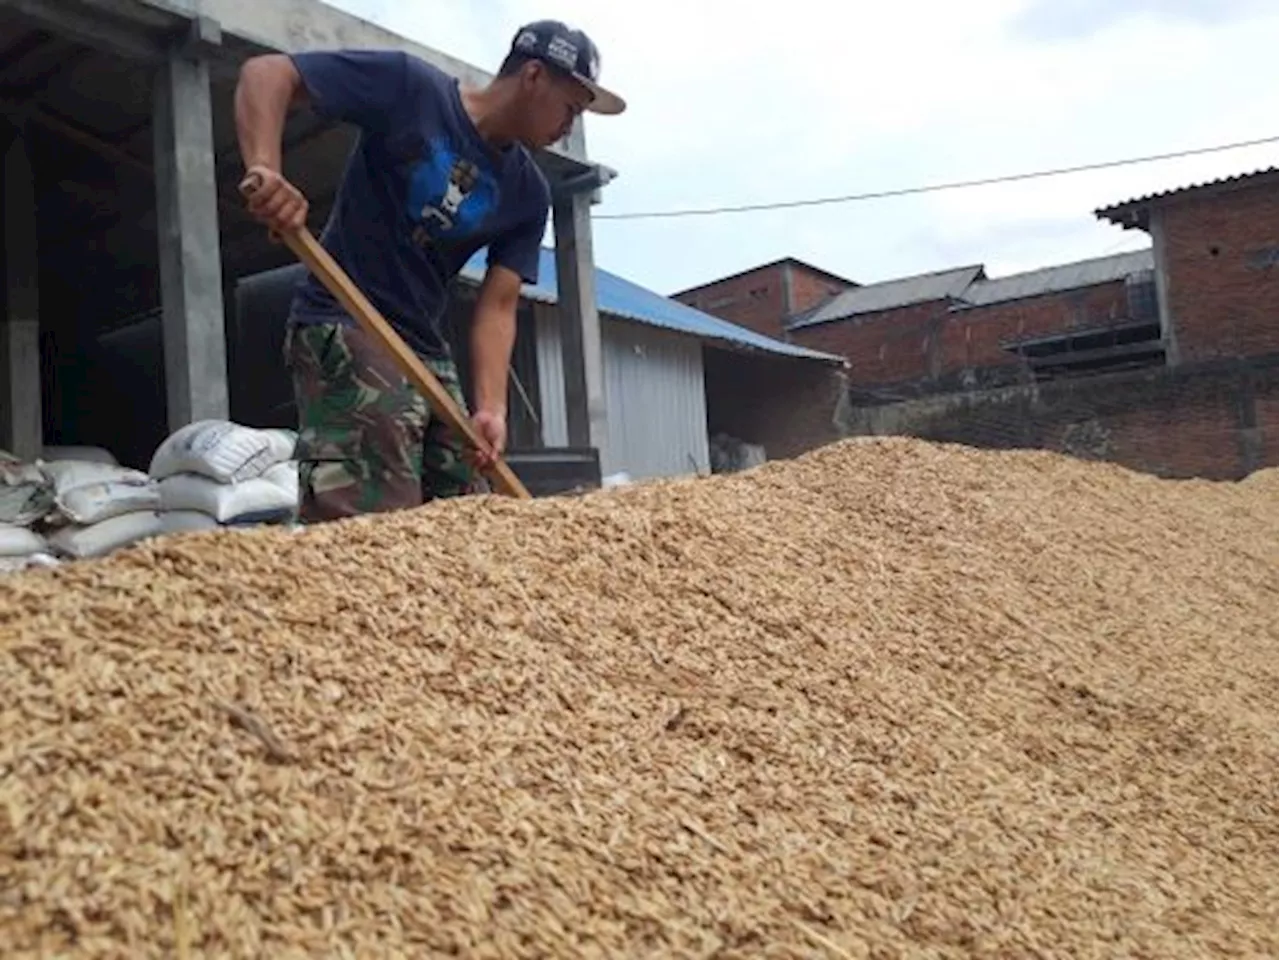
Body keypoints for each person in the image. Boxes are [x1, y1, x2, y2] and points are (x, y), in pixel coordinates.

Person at [233, 21, 625, 522]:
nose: (569, 127)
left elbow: (498, 305)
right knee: (377, 522)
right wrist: (266, 169)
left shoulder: (529, 193)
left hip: (424, 348)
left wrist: (490, 408)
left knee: (468, 512)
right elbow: (267, 74)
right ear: (532, 75)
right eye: (569, 107)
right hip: (345, 317)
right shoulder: (408, 89)